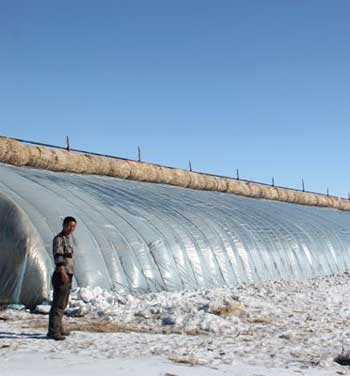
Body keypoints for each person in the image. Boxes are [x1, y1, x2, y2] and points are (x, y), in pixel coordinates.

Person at [47, 216, 77, 340]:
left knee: (63, 304)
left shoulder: (68, 239)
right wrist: (63, 273)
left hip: (68, 274)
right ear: (64, 225)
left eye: (73, 227)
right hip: (61, 275)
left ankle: (59, 328)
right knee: (58, 304)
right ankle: (53, 331)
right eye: (69, 226)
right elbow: (58, 257)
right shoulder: (59, 239)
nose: (71, 229)